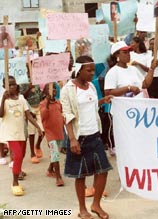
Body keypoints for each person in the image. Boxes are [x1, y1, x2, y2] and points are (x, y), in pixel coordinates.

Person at [60, 55, 113, 219]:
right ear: (79, 70)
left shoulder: (91, 87)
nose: (92, 73)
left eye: (93, 70)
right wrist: (72, 139)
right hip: (79, 137)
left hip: (94, 135)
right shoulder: (68, 89)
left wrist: (102, 100)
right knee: (80, 175)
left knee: (103, 170)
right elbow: (67, 115)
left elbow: (91, 105)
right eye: (88, 70)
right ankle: (82, 209)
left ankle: (96, 204)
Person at [0, 76, 42, 196]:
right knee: (17, 155)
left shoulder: (22, 99)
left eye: (14, 85)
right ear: (4, 87)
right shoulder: (4, 99)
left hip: (21, 133)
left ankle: (17, 171)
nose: (12, 87)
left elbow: (28, 115)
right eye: (9, 85)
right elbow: (1, 114)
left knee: (21, 156)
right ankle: (15, 182)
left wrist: (38, 127)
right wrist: (3, 100)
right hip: (10, 133)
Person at [40, 83, 64, 187]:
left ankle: (50, 169)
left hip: (59, 132)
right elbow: (43, 116)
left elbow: (62, 114)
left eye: (54, 89)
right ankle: (58, 177)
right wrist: (47, 103)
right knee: (55, 153)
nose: (53, 90)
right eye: (50, 89)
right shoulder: (43, 104)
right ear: (45, 92)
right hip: (50, 133)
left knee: (56, 154)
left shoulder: (59, 103)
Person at [20, 78, 45, 164]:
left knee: (43, 129)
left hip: (38, 108)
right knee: (32, 132)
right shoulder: (22, 81)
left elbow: (40, 95)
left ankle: (37, 145)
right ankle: (32, 153)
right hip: (29, 109)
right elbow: (21, 97)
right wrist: (29, 87)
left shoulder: (37, 78)